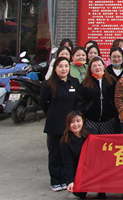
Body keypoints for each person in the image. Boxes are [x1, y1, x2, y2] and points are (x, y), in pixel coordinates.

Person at [40, 57, 80, 191]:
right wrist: (53, 114)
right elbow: (43, 103)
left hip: (71, 126)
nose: (64, 69)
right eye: (60, 66)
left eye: (66, 66)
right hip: (55, 125)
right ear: (55, 68)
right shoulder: (49, 84)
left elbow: (77, 101)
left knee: (68, 154)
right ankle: (56, 181)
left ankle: (67, 179)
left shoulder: (74, 82)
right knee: (55, 154)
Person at [76, 56, 118, 134]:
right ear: (90, 69)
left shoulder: (111, 81)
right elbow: (80, 102)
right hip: (90, 120)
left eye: (99, 65)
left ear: (104, 67)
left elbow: (116, 99)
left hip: (108, 120)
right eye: (94, 66)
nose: (97, 68)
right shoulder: (85, 84)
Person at [60, 111, 95, 199]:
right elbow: (68, 163)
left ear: (83, 121)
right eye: (72, 122)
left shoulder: (92, 133)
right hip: (79, 169)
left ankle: (102, 192)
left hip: (94, 167)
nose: (75, 124)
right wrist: (71, 181)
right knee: (78, 192)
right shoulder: (65, 141)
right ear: (68, 124)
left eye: (78, 121)